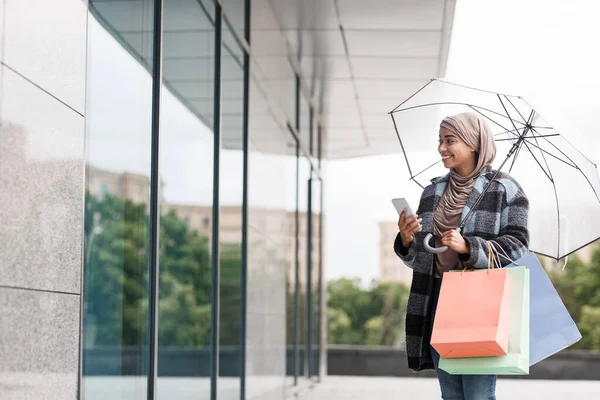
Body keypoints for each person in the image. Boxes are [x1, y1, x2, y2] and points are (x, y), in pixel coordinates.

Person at [394, 112, 530, 400]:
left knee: (479, 395)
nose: (442, 148)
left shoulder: (506, 189)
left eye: (450, 140)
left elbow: (519, 246)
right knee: (451, 396)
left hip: (479, 303)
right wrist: (407, 240)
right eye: (440, 141)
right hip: (436, 297)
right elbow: (423, 256)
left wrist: (469, 247)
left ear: (473, 143)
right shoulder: (433, 191)